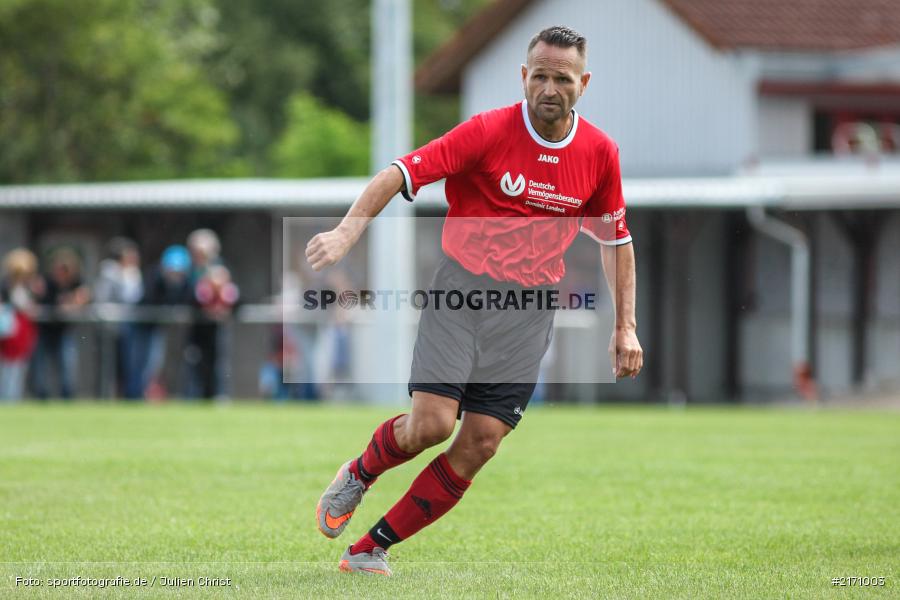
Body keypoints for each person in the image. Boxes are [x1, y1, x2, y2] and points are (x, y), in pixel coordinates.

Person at [307, 26, 643, 575]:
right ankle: (360, 474)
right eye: (540, 76)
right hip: (461, 294)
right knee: (433, 426)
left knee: (482, 442)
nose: (550, 88)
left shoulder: (601, 153)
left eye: (563, 78)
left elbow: (616, 240)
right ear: (524, 77)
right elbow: (400, 171)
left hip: (529, 311)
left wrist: (624, 326)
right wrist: (348, 232)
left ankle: (370, 548)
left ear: (583, 83)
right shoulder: (488, 131)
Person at [31, 248, 91, 399]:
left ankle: (67, 395)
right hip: (45, 330)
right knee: (41, 365)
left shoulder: (76, 282)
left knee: (67, 364)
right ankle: (41, 395)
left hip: (64, 330)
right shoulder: (46, 282)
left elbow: (83, 298)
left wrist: (73, 302)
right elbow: (37, 301)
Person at [0, 249, 40, 401]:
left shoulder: (28, 286)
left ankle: (12, 397)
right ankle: (7, 398)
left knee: (18, 366)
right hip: (10, 328)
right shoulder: (7, 286)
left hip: (22, 329)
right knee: (8, 367)